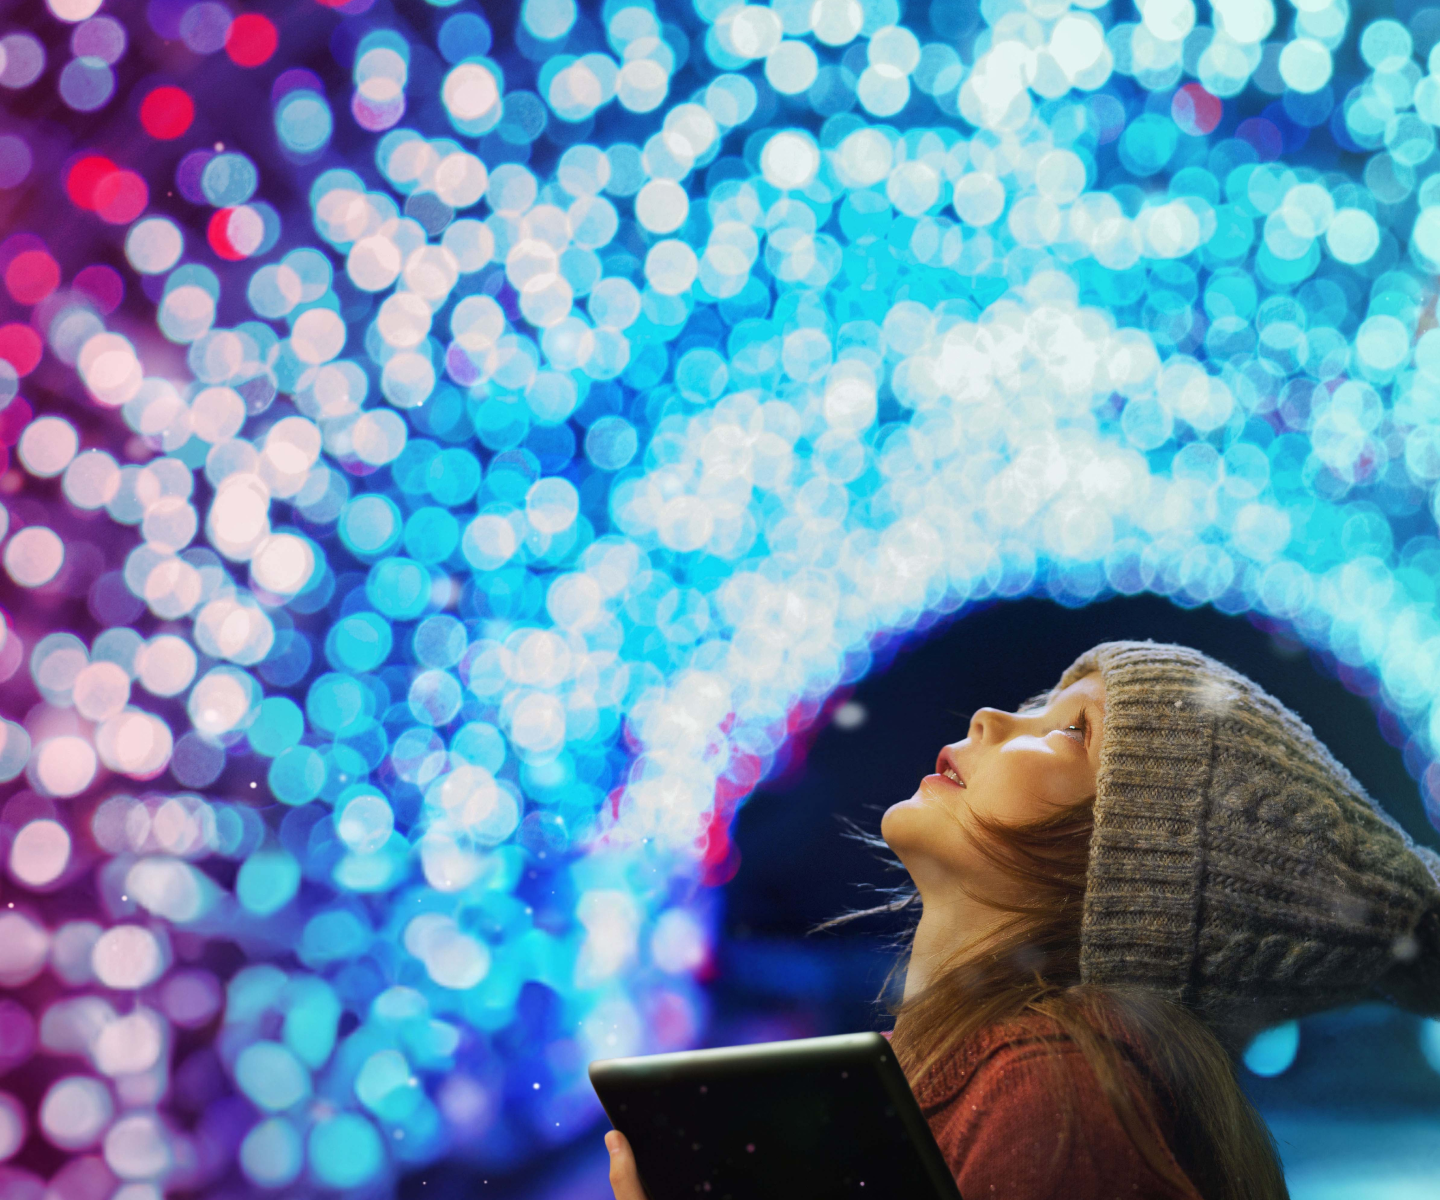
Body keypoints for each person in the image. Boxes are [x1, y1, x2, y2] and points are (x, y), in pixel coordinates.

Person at [603, 640, 1440, 1199]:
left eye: (1071, 732)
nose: (990, 719)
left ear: (1131, 859)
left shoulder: (1053, 1099)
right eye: (1042, 705)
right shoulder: (972, 1072)